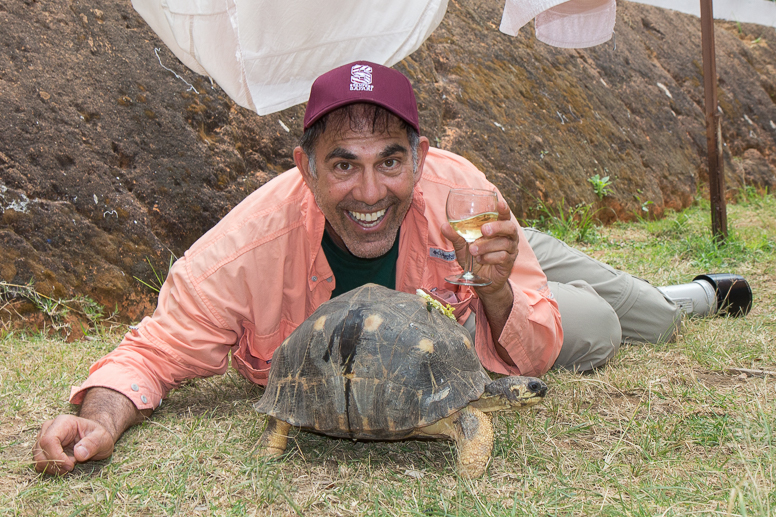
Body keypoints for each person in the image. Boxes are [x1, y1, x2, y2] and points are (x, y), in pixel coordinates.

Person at [33, 61, 681, 475]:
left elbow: (533, 340)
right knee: (601, 325)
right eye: (344, 164)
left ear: (420, 158)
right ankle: (650, 295)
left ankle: (689, 294)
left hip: (478, 248)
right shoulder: (245, 250)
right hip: (474, 280)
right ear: (305, 165)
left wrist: (496, 283)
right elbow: (152, 352)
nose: (370, 191)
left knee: (646, 314)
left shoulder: (464, 193)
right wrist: (97, 419)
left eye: (389, 161)